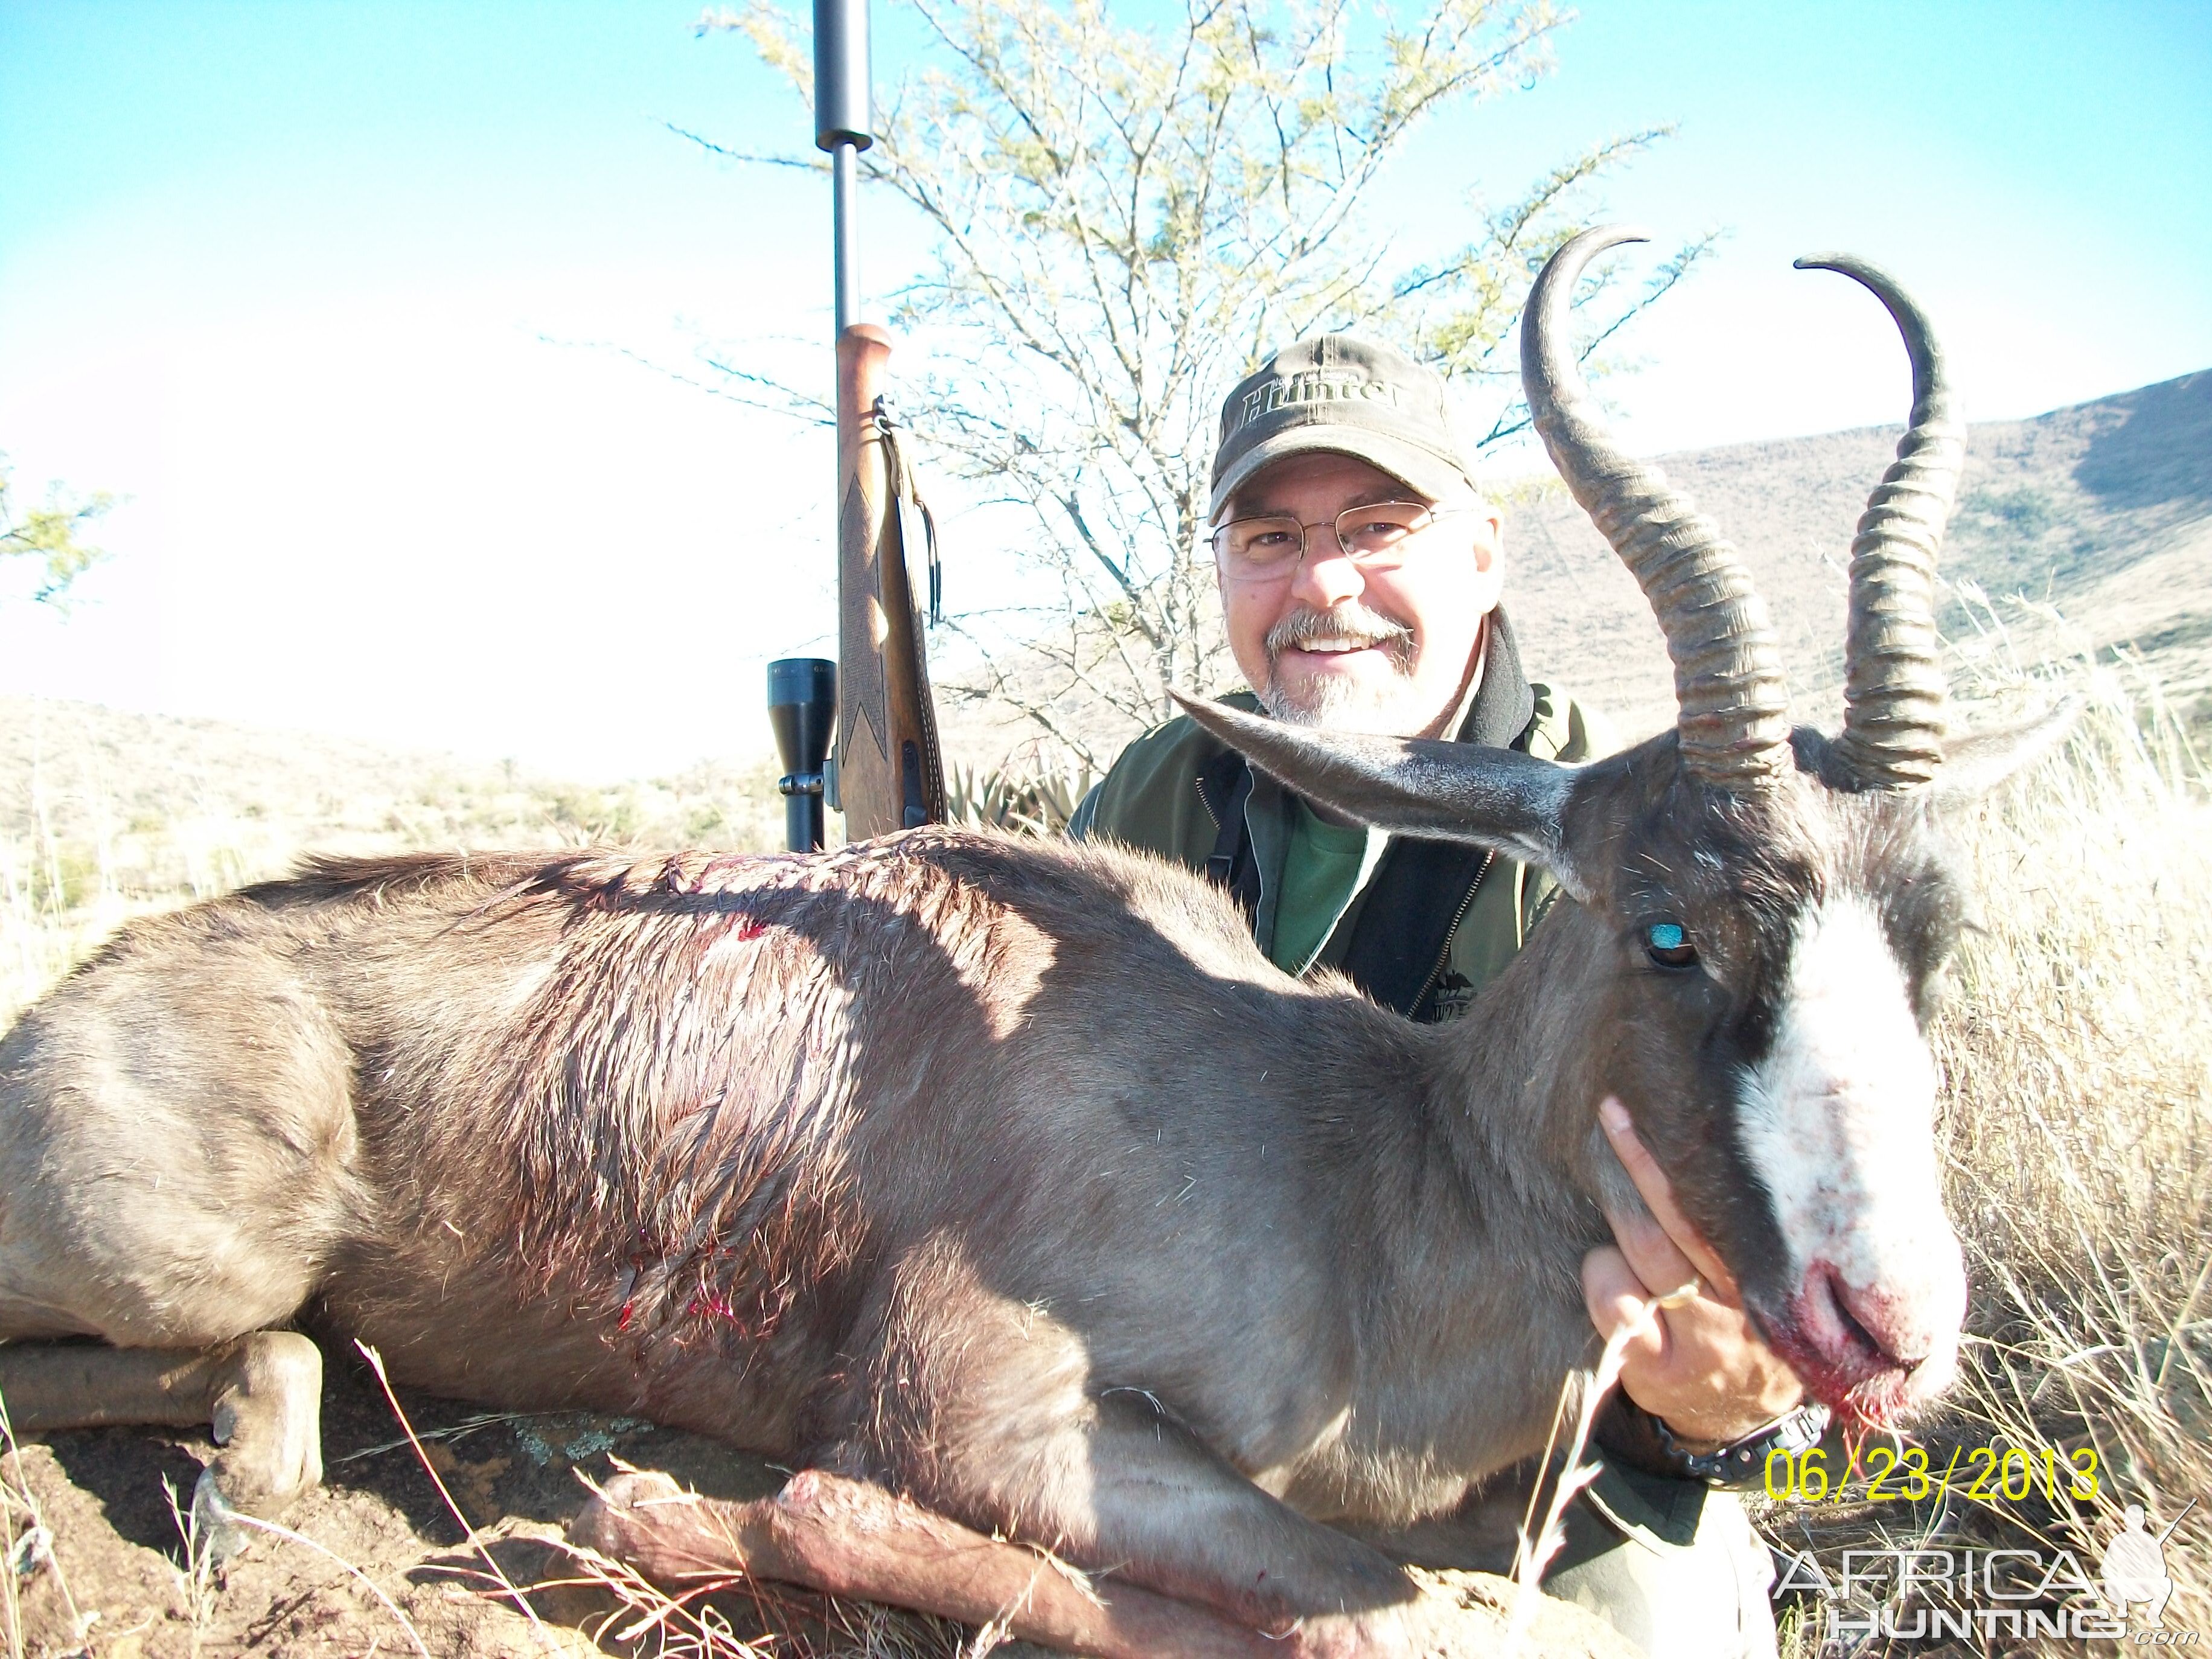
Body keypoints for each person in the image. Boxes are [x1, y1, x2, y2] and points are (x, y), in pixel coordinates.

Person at [1068, 335, 1823, 1658]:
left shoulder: (1642, 841)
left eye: (1375, 527)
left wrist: (1734, 1404)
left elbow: (1782, 1310)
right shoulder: (1155, 792)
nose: (1322, 585)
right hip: (1188, 1393)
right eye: (1268, 537)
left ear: (1480, 552)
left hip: (1537, 1471)